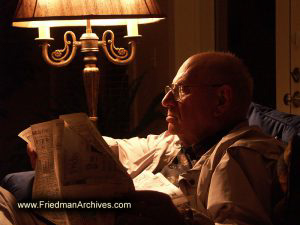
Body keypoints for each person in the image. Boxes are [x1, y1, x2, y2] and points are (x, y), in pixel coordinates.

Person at [1, 52, 283, 224]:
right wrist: (53, 146)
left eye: (180, 90)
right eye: (168, 89)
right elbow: (114, 150)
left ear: (221, 100)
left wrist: (181, 221)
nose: (165, 101)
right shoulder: (171, 143)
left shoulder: (238, 153)